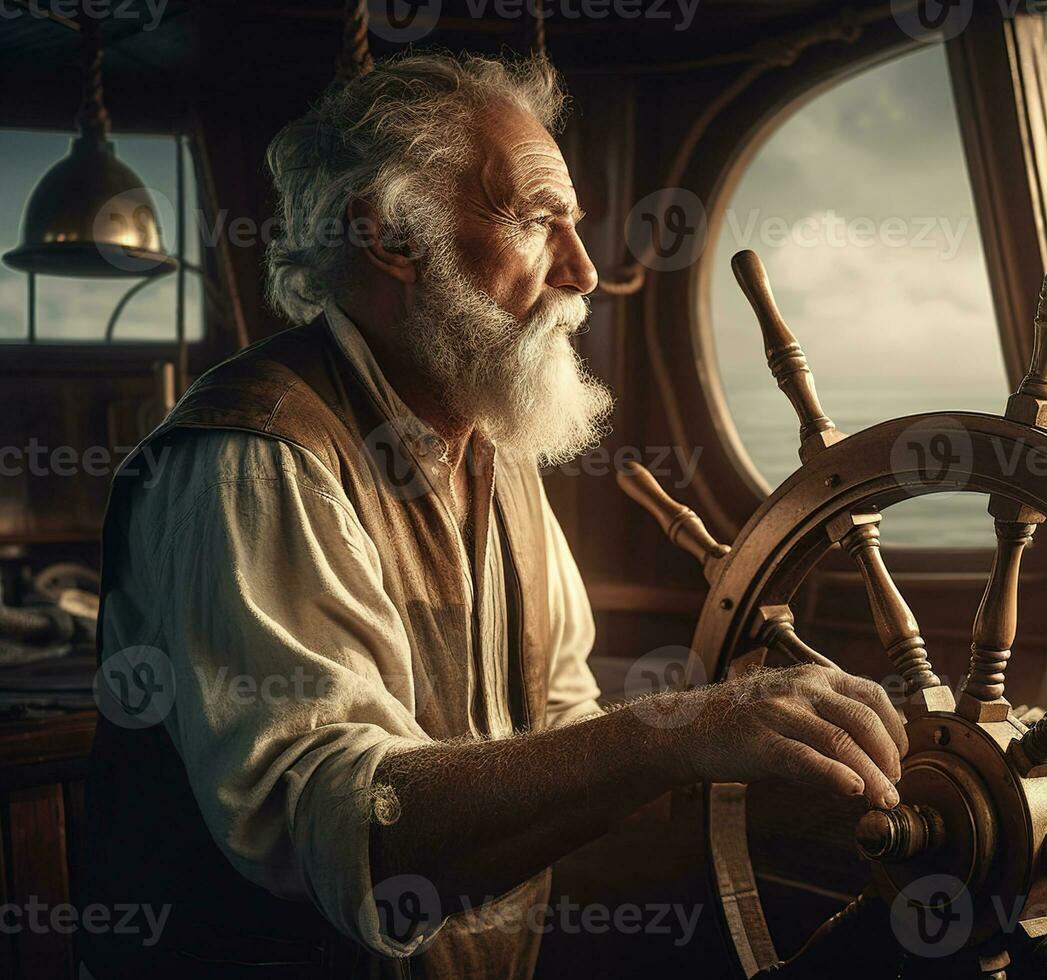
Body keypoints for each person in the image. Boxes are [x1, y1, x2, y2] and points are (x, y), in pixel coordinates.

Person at [79, 51, 906, 979]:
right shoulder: (256, 459)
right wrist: (679, 732)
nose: (585, 272)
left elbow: (560, 730)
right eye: (539, 220)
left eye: (579, 226)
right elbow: (348, 837)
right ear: (392, 236)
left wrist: (821, 785)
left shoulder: (493, 445)